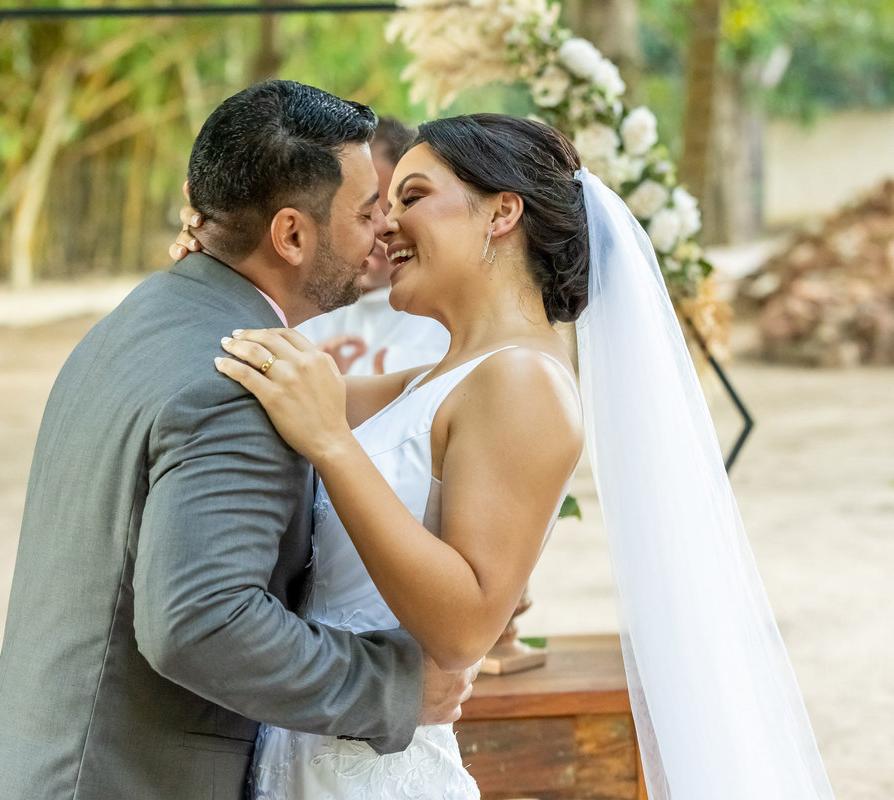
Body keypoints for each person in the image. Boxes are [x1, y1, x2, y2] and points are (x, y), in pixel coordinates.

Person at [205, 114, 834, 798]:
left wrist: (331, 444)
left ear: (502, 212)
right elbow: (285, 382)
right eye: (383, 208)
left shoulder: (525, 381)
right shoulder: (437, 379)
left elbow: (465, 626)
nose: (386, 227)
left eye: (411, 198)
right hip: (310, 759)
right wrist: (220, 258)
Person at [0, 81, 478, 800]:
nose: (382, 231)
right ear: (292, 235)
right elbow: (202, 622)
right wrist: (394, 688)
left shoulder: (144, 317)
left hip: (40, 766)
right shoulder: (235, 384)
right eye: (365, 212)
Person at [296, 116, 451, 375]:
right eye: (364, 212)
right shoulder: (293, 307)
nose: (382, 228)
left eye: (398, 207)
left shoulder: (442, 322)